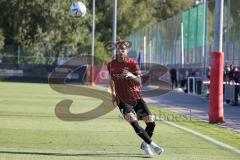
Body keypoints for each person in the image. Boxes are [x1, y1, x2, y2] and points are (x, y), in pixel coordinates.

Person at [107, 39, 164, 157]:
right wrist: (113, 95)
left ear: (127, 50)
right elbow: (111, 80)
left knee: (151, 123)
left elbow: (139, 82)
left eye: (123, 48)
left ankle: (145, 144)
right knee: (134, 122)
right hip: (122, 99)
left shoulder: (132, 63)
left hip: (136, 97)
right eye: (118, 48)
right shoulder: (111, 64)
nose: (120, 50)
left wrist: (131, 75)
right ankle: (154, 146)